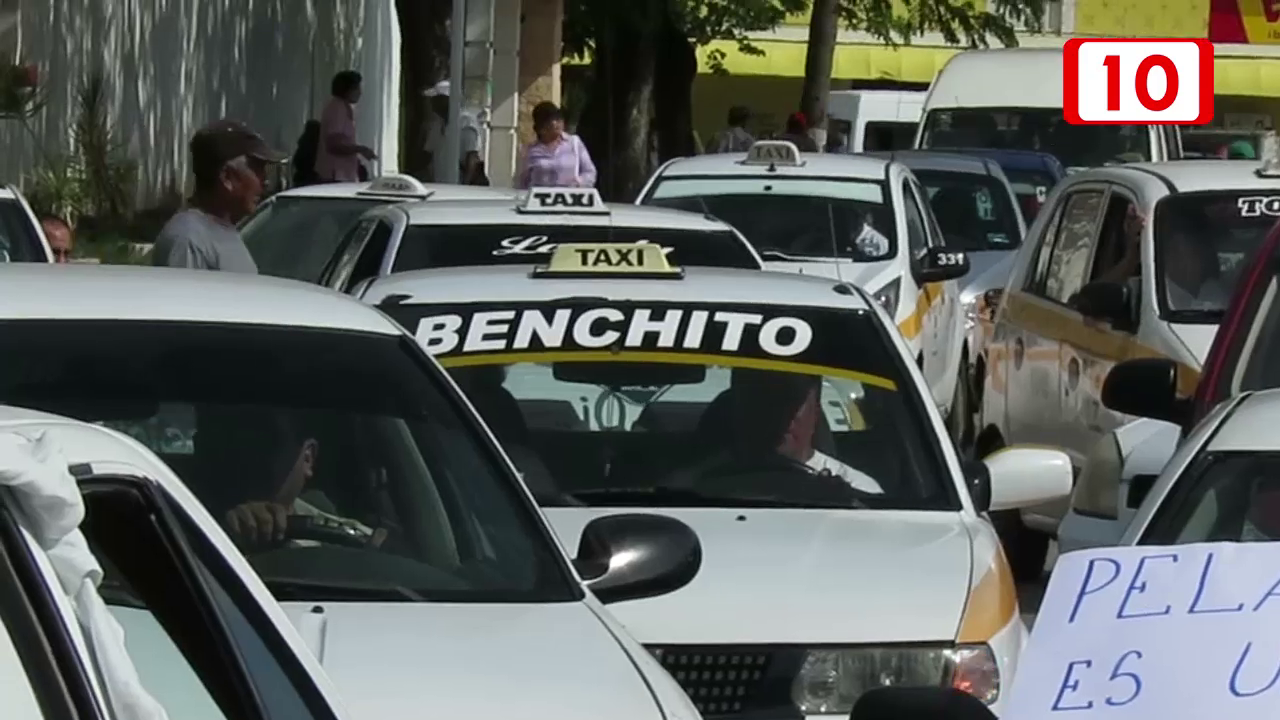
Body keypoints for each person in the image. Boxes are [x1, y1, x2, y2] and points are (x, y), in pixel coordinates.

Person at [152, 119, 286, 273]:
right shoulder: (189, 240)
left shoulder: (223, 230)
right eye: (257, 169)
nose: (266, 181)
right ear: (227, 177)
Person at [514, 101, 598, 189]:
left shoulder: (574, 143)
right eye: (553, 119)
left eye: (559, 118)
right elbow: (521, 183)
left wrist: (578, 183)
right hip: (540, 196)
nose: (558, 122)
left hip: (570, 195)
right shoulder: (529, 150)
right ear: (541, 127)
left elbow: (590, 172)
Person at [316, 70, 377, 183]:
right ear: (347, 89)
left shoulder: (343, 107)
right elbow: (333, 145)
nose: (360, 92)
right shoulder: (337, 109)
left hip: (343, 174)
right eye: (356, 88)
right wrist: (360, 149)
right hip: (335, 175)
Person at [423, 80, 485, 184]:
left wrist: (464, 187)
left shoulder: (466, 123)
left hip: (457, 185)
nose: (432, 103)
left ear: (448, 100)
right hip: (438, 184)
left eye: (437, 99)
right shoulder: (437, 124)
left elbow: (472, 157)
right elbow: (428, 154)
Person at [291, 119, 322, 187]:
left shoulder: (303, 143)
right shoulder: (317, 146)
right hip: (311, 179)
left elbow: (296, 161)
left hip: (301, 179)